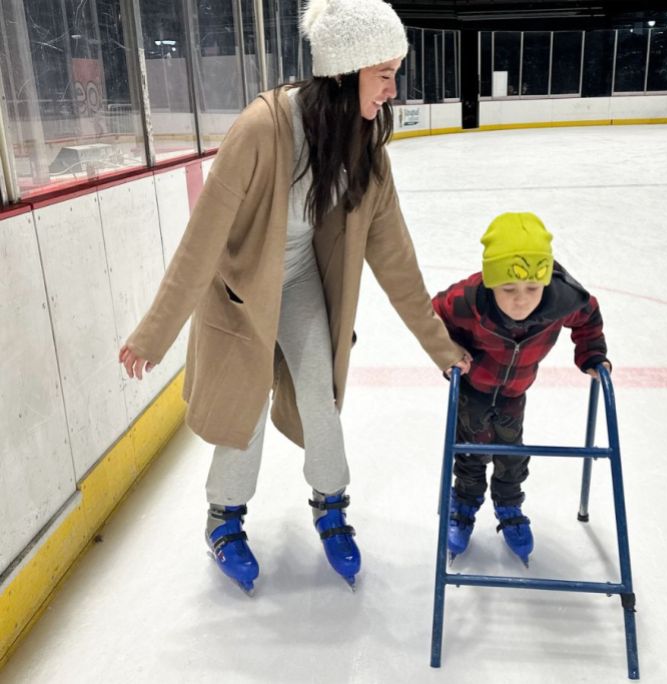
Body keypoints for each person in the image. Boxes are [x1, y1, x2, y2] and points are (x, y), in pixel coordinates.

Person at [118, 0, 469, 593]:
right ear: (345, 69)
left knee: (319, 394)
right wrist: (154, 334)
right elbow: (201, 242)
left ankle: (331, 506)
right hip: (240, 291)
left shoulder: (363, 149)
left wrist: (442, 348)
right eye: (383, 72)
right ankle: (223, 519)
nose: (392, 87)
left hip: (300, 277)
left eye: (394, 71)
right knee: (245, 410)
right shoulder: (262, 130)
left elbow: (397, 261)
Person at [431, 212, 611, 566]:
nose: (520, 299)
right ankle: (464, 504)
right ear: (490, 283)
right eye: (508, 289)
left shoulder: (564, 300)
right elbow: (434, 315)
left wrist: (591, 354)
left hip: (515, 390)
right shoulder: (467, 301)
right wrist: (448, 353)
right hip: (474, 384)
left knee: (510, 450)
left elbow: (589, 318)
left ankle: (509, 503)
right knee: (469, 450)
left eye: (532, 288)